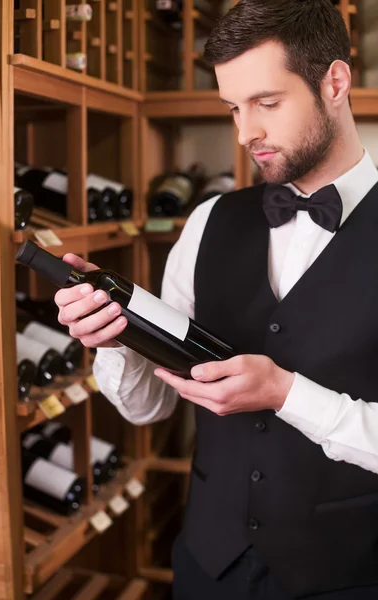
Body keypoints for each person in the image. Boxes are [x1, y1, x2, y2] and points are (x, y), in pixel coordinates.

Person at [54, 0, 378, 598]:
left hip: (349, 575)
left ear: (334, 82)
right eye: (233, 106)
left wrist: (285, 393)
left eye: (267, 103)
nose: (244, 131)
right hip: (209, 563)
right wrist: (117, 333)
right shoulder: (208, 221)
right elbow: (148, 408)